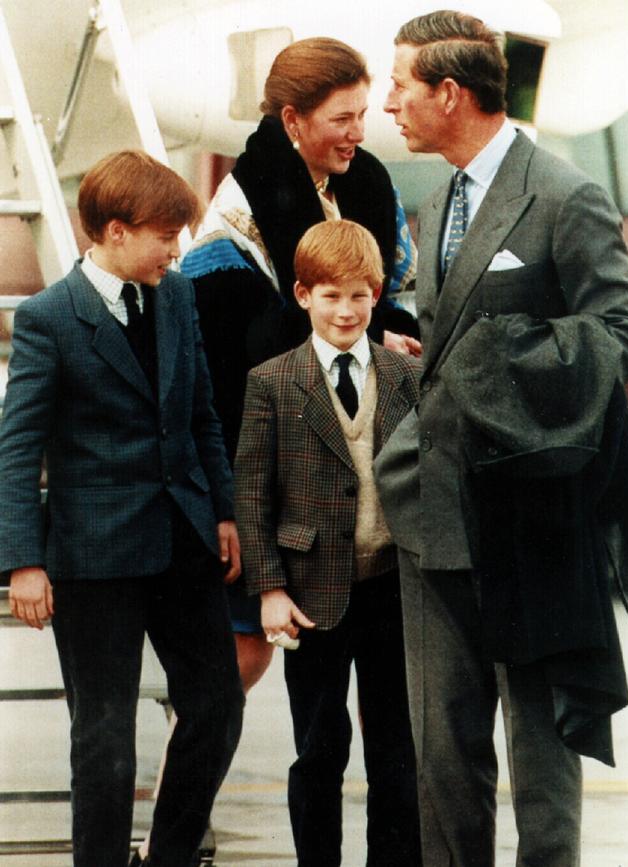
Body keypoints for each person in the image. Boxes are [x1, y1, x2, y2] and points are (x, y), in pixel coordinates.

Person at [376, 11, 628, 867]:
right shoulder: (433, 202)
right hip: (431, 513)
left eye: (400, 87)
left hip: (528, 520)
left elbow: (626, 332)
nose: (390, 105)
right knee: (442, 753)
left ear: (450, 93)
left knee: (539, 751)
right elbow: (453, 342)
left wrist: (492, 360)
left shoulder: (567, 194)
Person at [0, 150, 245, 867]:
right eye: (165, 234)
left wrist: (222, 512)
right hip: (94, 556)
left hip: (185, 542)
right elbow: (18, 449)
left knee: (217, 707)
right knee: (104, 736)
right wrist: (23, 561)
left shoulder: (174, 296)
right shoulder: (50, 319)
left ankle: (165, 858)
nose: (177, 249)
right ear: (112, 231)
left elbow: (201, 414)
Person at [180, 35, 421, 705]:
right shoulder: (236, 216)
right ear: (292, 121)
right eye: (341, 118)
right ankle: (184, 796)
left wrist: (394, 339)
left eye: (362, 114)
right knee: (246, 650)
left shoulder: (368, 181)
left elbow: (388, 299)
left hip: (366, 465)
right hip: (271, 449)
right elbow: (228, 361)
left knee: (385, 672)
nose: (358, 132)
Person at [234, 220, 422, 867]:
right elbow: (253, 495)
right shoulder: (273, 382)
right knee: (319, 745)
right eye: (330, 295)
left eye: (359, 295)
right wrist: (269, 588)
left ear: (376, 295)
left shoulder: (404, 376)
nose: (346, 310)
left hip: (394, 587)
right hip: (312, 594)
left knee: (397, 745)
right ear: (303, 294)